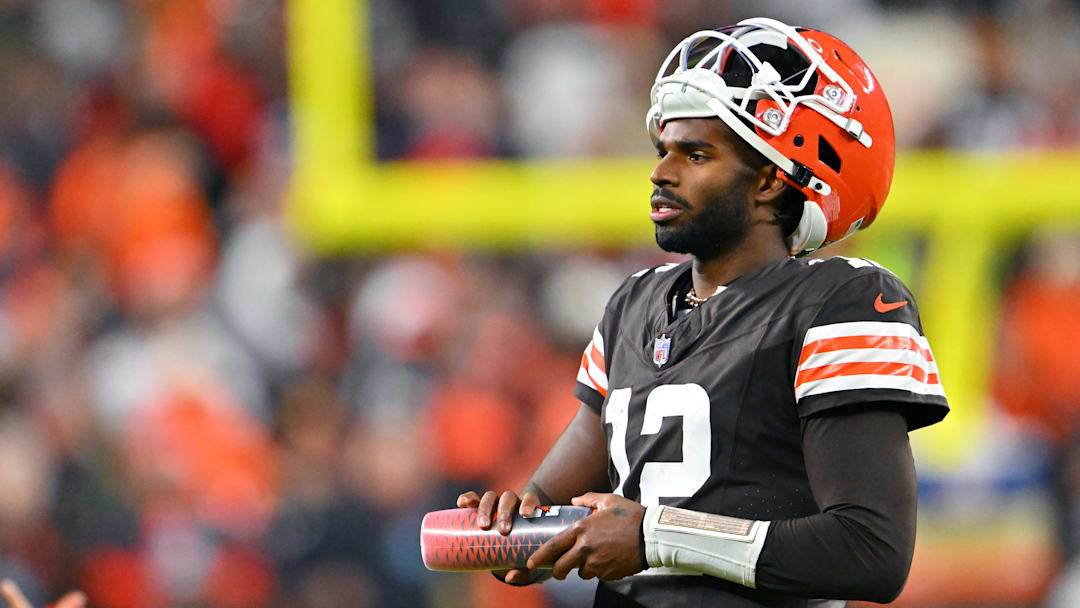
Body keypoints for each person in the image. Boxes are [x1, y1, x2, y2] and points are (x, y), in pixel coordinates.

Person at [457, 17, 948, 607]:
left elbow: (872, 551)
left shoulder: (838, 302)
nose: (661, 172)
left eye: (695, 154)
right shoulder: (632, 304)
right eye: (664, 150)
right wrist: (514, 525)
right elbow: (549, 510)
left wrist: (657, 538)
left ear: (770, 179)